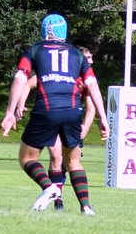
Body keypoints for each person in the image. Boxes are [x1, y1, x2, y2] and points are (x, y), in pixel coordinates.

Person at [0, 14, 110, 213]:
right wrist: (103, 117)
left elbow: (20, 79)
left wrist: (10, 112)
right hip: (72, 112)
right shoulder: (77, 54)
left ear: (44, 31)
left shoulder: (35, 50)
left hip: (47, 109)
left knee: (27, 158)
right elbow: (92, 84)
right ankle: (86, 207)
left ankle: (49, 188)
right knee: (73, 161)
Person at [38, 46, 104, 213]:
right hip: (52, 119)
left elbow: (91, 108)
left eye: (91, 57)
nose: (91, 61)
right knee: (56, 156)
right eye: (88, 58)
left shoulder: (88, 79)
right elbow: (31, 82)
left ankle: (84, 205)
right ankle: (58, 200)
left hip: (72, 122)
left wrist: (85, 128)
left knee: (70, 163)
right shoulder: (60, 73)